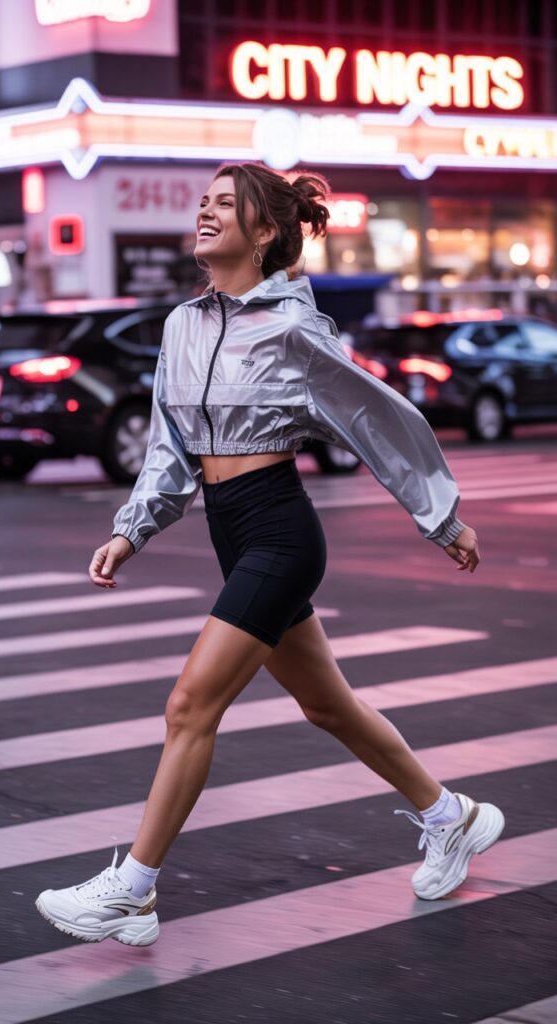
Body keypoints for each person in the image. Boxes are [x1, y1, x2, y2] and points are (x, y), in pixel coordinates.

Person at [35, 163, 504, 947]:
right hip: (232, 531)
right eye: (204, 201)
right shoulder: (184, 324)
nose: (206, 213)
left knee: (189, 706)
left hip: (281, 534)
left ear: (263, 234)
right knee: (327, 706)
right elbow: (169, 446)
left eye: (227, 205)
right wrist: (132, 528)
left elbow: (377, 420)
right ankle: (449, 816)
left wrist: (441, 516)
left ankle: (134, 890)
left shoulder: (294, 330)